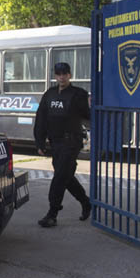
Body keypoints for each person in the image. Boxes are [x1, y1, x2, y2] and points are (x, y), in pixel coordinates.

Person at [34, 62, 92, 227]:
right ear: (55, 76)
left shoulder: (78, 94)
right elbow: (41, 118)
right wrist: (39, 141)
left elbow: (88, 115)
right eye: (59, 74)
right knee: (66, 177)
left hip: (71, 142)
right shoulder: (50, 94)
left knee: (59, 177)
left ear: (69, 75)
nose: (61, 77)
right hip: (56, 143)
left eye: (64, 74)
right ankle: (86, 202)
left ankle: (52, 213)